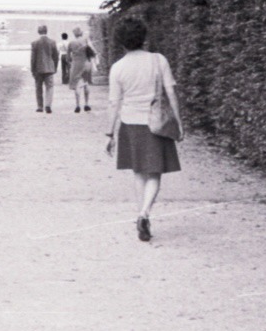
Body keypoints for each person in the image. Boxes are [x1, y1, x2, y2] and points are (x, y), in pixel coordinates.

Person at [106, 17, 182, 242]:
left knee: (138, 172)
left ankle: (140, 215)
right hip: (156, 123)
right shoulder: (159, 60)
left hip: (130, 124)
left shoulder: (117, 68)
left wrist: (110, 134)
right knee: (155, 173)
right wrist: (179, 122)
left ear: (121, 41)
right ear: (144, 38)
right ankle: (144, 213)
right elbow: (171, 93)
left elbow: (113, 103)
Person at [29, 24, 59, 113]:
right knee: (49, 87)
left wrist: (32, 69)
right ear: (46, 31)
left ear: (38, 32)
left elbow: (32, 58)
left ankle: (40, 106)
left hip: (38, 69)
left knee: (38, 87)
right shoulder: (52, 42)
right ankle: (48, 105)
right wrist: (55, 67)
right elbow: (56, 57)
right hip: (49, 68)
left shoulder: (34, 43)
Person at [66, 29, 95, 112]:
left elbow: (68, 58)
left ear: (74, 34)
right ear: (81, 33)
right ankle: (86, 104)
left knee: (77, 85)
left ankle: (78, 105)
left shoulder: (71, 43)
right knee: (86, 84)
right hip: (86, 63)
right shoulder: (86, 40)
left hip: (76, 65)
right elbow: (93, 51)